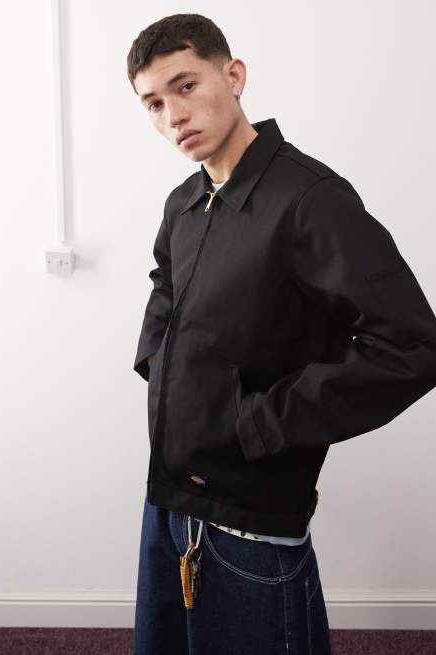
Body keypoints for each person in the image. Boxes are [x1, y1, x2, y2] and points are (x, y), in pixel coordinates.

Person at [127, 13, 436, 655]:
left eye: (186, 86)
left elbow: (412, 346)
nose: (173, 115)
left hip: (252, 519)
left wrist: (259, 424)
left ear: (234, 76)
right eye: (153, 103)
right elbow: (166, 282)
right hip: (168, 500)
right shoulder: (183, 203)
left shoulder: (310, 199)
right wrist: (156, 363)